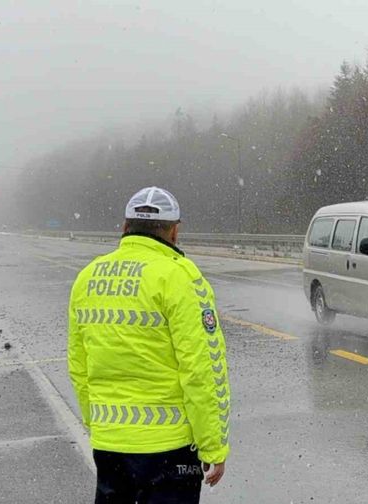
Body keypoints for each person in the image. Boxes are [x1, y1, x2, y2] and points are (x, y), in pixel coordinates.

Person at [68, 186, 230, 503]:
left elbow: (79, 365)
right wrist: (213, 444)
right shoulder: (179, 276)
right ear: (173, 231)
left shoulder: (87, 277)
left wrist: (98, 422)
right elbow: (202, 368)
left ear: (125, 227)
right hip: (169, 449)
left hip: (110, 445)